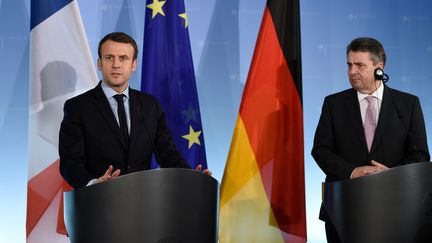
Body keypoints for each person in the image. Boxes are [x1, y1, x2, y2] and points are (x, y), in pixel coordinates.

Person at [311, 37, 430, 243]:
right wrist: (353, 171)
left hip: (396, 207)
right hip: (343, 209)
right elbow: (320, 150)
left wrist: (391, 176)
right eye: (349, 65)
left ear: (379, 67)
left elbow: (420, 154)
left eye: (359, 65)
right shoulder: (334, 104)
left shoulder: (408, 104)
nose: (352, 71)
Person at [59, 32, 210, 189]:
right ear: (99, 63)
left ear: (133, 65)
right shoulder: (77, 107)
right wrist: (94, 184)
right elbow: (70, 162)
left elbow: (166, 153)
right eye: (109, 57)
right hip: (97, 204)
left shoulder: (150, 105)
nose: (116, 64)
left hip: (142, 203)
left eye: (123, 58)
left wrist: (190, 176)